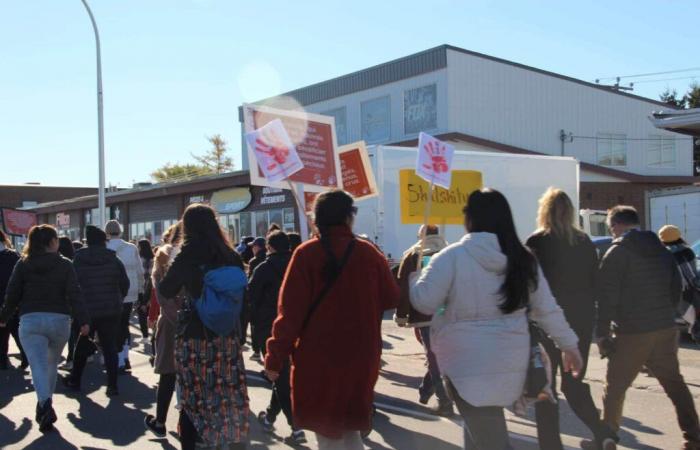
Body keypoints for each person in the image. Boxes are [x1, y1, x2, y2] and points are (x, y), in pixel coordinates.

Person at [410, 189, 582, 450]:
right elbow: (547, 309)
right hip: (511, 357)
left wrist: (415, 278)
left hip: (463, 360)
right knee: (482, 428)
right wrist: (569, 345)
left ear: (469, 218)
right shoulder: (523, 259)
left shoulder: (451, 257)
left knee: (487, 433)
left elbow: (424, 302)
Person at [265, 190, 400, 450]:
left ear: (316, 219)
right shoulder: (369, 253)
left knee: (329, 435)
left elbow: (289, 314)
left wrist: (274, 357)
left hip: (319, 359)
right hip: (361, 355)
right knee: (350, 430)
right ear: (349, 217)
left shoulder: (306, 254)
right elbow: (392, 298)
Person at [596, 206, 700, 450]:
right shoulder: (662, 251)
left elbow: (606, 298)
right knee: (675, 384)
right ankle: (694, 437)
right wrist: (667, 314)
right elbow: (676, 289)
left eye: (611, 229)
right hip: (665, 328)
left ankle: (608, 436)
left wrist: (601, 333)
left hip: (632, 331)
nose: (612, 233)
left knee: (616, 386)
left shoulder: (617, 253)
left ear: (616, 225)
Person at [525, 188, 617, 450]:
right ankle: (602, 433)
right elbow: (595, 282)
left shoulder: (537, 242)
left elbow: (528, 285)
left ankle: (551, 445)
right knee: (573, 383)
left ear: (544, 211)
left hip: (546, 322)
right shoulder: (585, 241)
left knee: (545, 387)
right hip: (580, 321)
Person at [159, 204, 249, 450]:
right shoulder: (230, 255)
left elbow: (166, 289)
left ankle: (195, 442)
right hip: (226, 337)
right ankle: (229, 441)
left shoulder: (188, 254)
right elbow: (243, 298)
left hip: (194, 336)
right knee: (227, 394)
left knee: (193, 397)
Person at [0, 225, 90, 432]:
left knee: (38, 366)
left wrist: (4, 316)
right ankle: (44, 405)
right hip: (59, 321)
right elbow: (75, 293)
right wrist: (84, 320)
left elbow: (12, 293)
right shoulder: (65, 265)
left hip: (30, 320)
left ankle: (45, 405)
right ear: (52, 242)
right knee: (50, 364)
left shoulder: (23, 264)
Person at [249, 231, 306, 444]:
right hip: (299, 327)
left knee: (279, 375)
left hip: (270, 328)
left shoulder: (263, 268)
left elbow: (251, 297)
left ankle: (296, 427)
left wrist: (252, 324)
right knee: (280, 374)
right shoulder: (299, 265)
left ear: (270, 247)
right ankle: (270, 418)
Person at [63, 225, 129, 397]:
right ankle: (112, 386)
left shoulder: (78, 260)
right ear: (103, 241)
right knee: (110, 348)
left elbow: (72, 286)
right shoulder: (114, 259)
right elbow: (125, 283)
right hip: (110, 310)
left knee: (82, 345)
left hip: (86, 311)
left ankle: (75, 380)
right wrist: (118, 299)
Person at [395, 224, 453, 416]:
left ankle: (444, 400)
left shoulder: (413, 255)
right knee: (442, 355)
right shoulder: (450, 253)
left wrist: (402, 315)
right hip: (449, 314)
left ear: (421, 235)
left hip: (424, 314)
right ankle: (428, 389)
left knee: (434, 357)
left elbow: (403, 287)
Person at [144, 222, 183, 437]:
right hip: (198, 322)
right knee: (192, 376)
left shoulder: (163, 258)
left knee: (168, 376)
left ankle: (160, 422)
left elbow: (159, 296)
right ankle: (185, 421)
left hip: (170, 323)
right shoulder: (202, 256)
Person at [105, 219, 144, 373]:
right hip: (130, 292)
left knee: (112, 326)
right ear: (120, 231)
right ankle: (125, 357)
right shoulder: (131, 247)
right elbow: (140, 272)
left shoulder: (105, 247)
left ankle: (117, 359)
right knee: (124, 323)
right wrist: (140, 291)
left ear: (107, 232)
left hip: (110, 293)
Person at [659, 224, 700, 340]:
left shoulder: (663, 255)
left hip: (676, 297)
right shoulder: (686, 251)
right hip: (688, 294)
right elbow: (691, 277)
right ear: (679, 236)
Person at [0, 229, 26, 370]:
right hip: (13, 298)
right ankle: (25, 356)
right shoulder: (13, 255)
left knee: (2, 331)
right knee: (15, 328)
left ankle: (2, 359)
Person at [137, 239, 154, 343]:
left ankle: (145, 335)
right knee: (151, 312)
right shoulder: (153, 258)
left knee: (142, 313)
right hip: (151, 289)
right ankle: (153, 334)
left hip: (142, 289)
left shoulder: (140, 259)